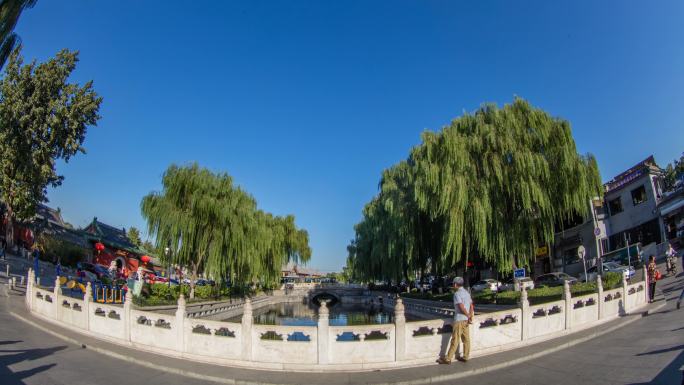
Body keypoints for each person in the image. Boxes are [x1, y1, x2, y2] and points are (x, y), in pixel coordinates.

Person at [437, 277, 473, 364]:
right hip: (466, 320)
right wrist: (470, 316)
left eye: (453, 284)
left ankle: (448, 358)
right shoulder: (467, 293)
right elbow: (471, 305)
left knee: (455, 339)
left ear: (455, 284)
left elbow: (461, 306)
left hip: (460, 319)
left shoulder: (457, 294)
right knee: (466, 339)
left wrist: (467, 315)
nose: (453, 286)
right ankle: (466, 356)